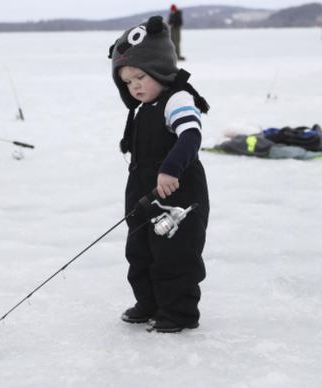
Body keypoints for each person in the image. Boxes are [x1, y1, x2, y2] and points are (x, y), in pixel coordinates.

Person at [108, 16, 210, 333]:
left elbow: (190, 136)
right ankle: (150, 302)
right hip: (143, 191)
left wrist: (169, 169)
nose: (135, 85)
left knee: (174, 254)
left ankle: (178, 312)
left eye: (140, 76)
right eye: (127, 82)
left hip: (178, 192)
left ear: (161, 68)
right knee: (140, 251)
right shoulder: (144, 107)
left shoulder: (177, 99)